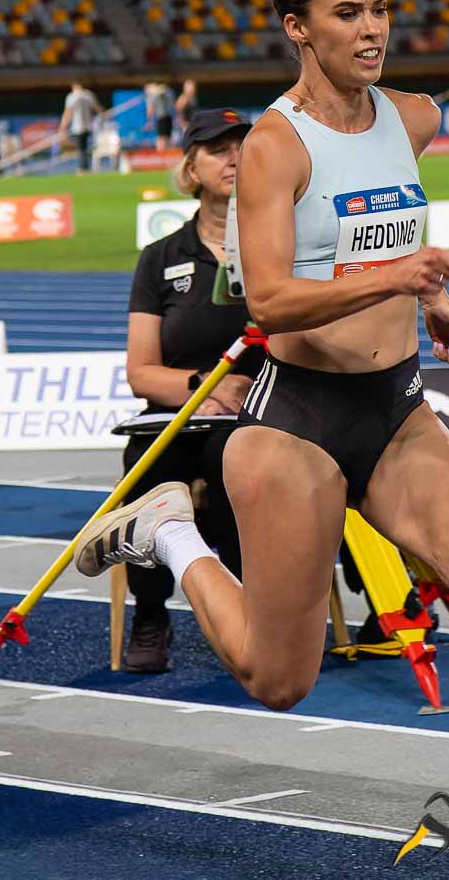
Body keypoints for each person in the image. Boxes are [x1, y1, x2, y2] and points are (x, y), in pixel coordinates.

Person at [73, 0, 449, 876]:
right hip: (294, 417)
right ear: (298, 28)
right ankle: (171, 529)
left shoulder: (412, 118)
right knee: (278, 678)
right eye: (347, 13)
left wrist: (433, 299)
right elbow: (271, 301)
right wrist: (400, 274)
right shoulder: (272, 146)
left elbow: (385, 230)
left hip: (395, 405)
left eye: (379, 8)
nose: (372, 28)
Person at [118, 107, 262, 671]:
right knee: (147, 473)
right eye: (217, 149)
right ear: (190, 169)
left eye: (242, 147)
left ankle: (259, 612)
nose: (233, 158)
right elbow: (141, 372)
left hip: (261, 414)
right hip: (181, 414)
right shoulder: (161, 260)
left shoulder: (282, 245)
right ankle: (152, 614)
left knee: (241, 469)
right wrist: (206, 386)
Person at [59, 80, 101, 172]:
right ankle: (85, 167)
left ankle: (83, 168)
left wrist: (63, 126)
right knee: (83, 147)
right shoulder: (88, 95)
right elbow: (97, 107)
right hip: (88, 127)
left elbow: (67, 112)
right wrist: (102, 113)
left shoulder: (72, 96)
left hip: (78, 127)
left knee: (81, 148)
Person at [144, 82, 177, 151]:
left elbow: (150, 110)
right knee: (164, 139)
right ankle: (163, 154)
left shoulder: (154, 94)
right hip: (165, 118)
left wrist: (149, 120)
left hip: (163, 118)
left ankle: (163, 154)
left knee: (163, 139)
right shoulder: (164, 92)